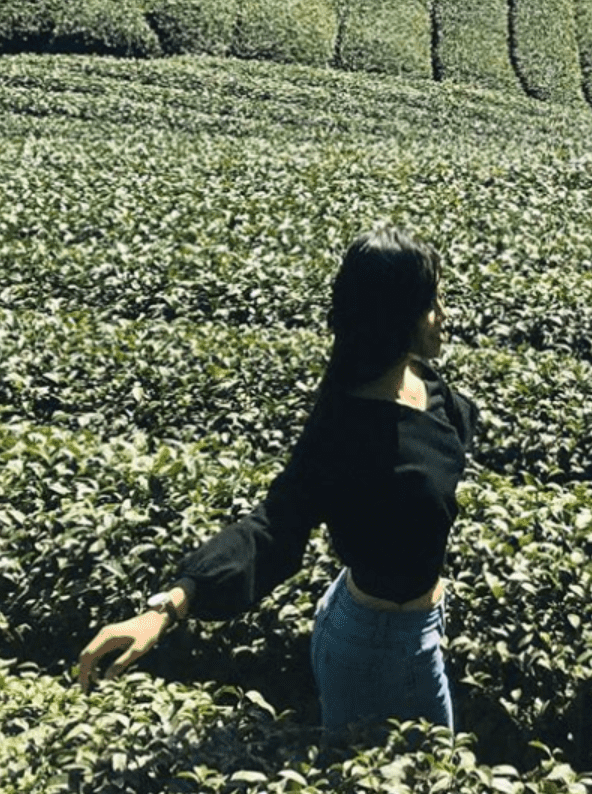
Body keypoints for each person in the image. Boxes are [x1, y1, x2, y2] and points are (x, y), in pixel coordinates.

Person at [77, 225, 477, 743]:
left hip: (419, 626)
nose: (442, 314)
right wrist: (167, 608)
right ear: (396, 317)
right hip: (373, 647)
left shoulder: (422, 383)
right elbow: (273, 527)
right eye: (431, 303)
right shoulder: (344, 430)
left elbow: (443, 441)